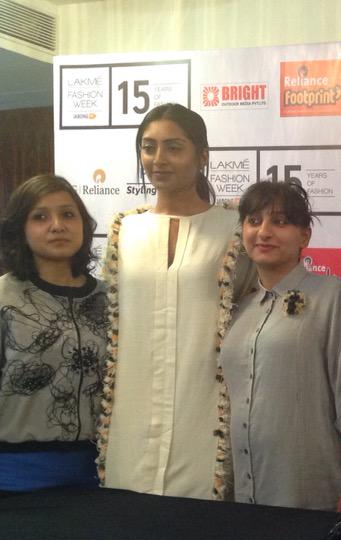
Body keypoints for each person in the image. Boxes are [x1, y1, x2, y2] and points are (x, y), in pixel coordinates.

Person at [98, 103, 253, 500]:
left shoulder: (235, 228)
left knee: (196, 525)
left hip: (204, 416)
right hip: (130, 420)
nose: (158, 159)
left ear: (203, 156)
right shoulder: (124, 231)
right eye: (148, 147)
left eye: (173, 147)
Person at [221, 181, 341, 510]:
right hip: (244, 496)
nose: (264, 232)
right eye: (254, 221)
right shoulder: (239, 309)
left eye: (279, 222)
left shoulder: (332, 296)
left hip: (313, 493)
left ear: (304, 236)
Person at [0, 175, 108, 493]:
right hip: (15, 477)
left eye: (68, 214)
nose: (57, 226)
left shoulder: (112, 299)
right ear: (20, 229)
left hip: (102, 473)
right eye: (40, 217)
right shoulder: (5, 298)